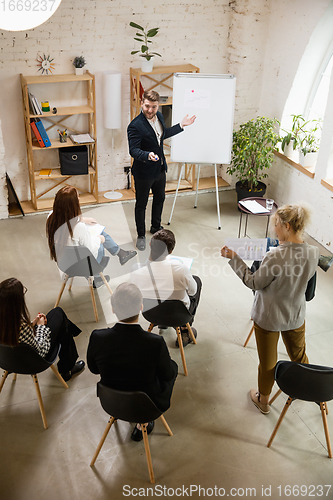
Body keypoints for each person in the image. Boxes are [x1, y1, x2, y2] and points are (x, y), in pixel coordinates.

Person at [221, 203, 319, 415]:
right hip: (296, 315)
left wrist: (234, 259)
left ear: (286, 226)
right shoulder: (313, 252)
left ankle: (263, 400)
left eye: (276, 225)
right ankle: (306, 388)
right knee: (299, 355)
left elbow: (253, 283)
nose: (274, 229)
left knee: (268, 362)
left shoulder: (275, 255)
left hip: (269, 317)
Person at [87, 282, 178, 441]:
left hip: (111, 402)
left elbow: (94, 369)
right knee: (173, 368)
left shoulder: (97, 337)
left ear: (113, 309)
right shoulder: (155, 343)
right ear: (141, 307)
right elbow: (167, 374)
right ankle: (142, 423)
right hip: (146, 406)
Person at [127, 90, 196, 251]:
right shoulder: (135, 126)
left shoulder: (160, 117)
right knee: (141, 204)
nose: (150, 110)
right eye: (147, 106)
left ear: (158, 106)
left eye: (154, 107)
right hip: (143, 172)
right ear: (142, 104)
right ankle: (141, 236)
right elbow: (133, 150)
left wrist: (181, 125)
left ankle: (156, 227)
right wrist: (147, 155)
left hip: (159, 169)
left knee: (160, 199)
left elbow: (162, 135)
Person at [46, 186, 137, 288]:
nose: (79, 199)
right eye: (78, 197)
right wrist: (99, 239)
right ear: (73, 204)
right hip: (81, 266)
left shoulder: (51, 217)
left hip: (64, 263)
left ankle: (121, 253)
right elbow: (91, 249)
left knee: (99, 235)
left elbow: (65, 217)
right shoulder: (78, 228)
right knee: (101, 239)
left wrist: (83, 219)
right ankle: (98, 276)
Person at [0, 277, 85, 382]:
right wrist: (40, 326)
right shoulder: (22, 327)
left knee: (59, 320)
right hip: (33, 361)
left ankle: (68, 365)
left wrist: (32, 324)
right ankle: (67, 368)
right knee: (59, 316)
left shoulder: (10, 323)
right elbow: (41, 350)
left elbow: (18, 337)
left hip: (7, 360)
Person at [131, 229, 202, 347]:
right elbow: (192, 291)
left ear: (150, 244)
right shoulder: (181, 269)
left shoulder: (136, 270)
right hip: (179, 315)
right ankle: (185, 330)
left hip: (150, 314)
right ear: (171, 251)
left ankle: (162, 324)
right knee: (197, 282)